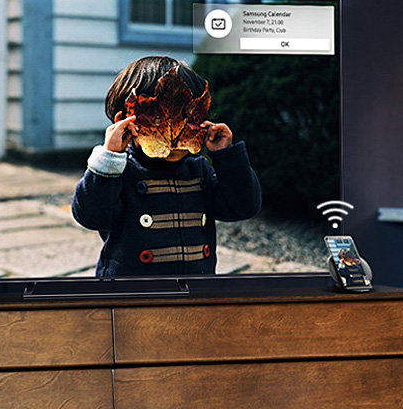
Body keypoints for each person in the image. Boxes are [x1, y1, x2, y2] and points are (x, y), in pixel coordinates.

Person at [72, 56, 261, 276]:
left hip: (194, 290)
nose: (174, 129)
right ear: (126, 122)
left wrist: (226, 156)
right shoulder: (121, 172)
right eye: (157, 118)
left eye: (187, 117)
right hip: (132, 292)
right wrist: (109, 158)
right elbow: (90, 215)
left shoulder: (199, 171)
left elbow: (243, 206)